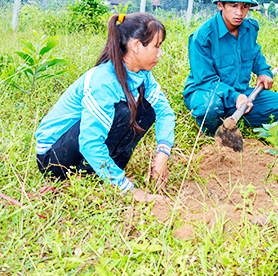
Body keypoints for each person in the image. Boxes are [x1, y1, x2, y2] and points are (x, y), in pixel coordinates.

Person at [35, 13, 175, 203]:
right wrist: (132, 192)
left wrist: (162, 153)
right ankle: (88, 179)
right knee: (124, 113)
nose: (160, 53)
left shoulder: (142, 75)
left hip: (81, 147)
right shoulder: (104, 81)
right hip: (53, 158)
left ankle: (107, 175)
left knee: (146, 109)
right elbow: (89, 142)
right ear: (136, 46)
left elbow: (164, 112)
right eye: (156, 46)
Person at [183, 0, 278, 137]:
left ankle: (234, 119)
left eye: (244, 7)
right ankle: (212, 132)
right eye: (233, 6)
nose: (239, 13)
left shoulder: (249, 28)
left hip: (240, 92)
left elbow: (255, 53)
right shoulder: (202, 37)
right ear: (221, 5)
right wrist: (236, 97)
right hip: (207, 92)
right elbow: (206, 80)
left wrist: (263, 71)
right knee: (209, 107)